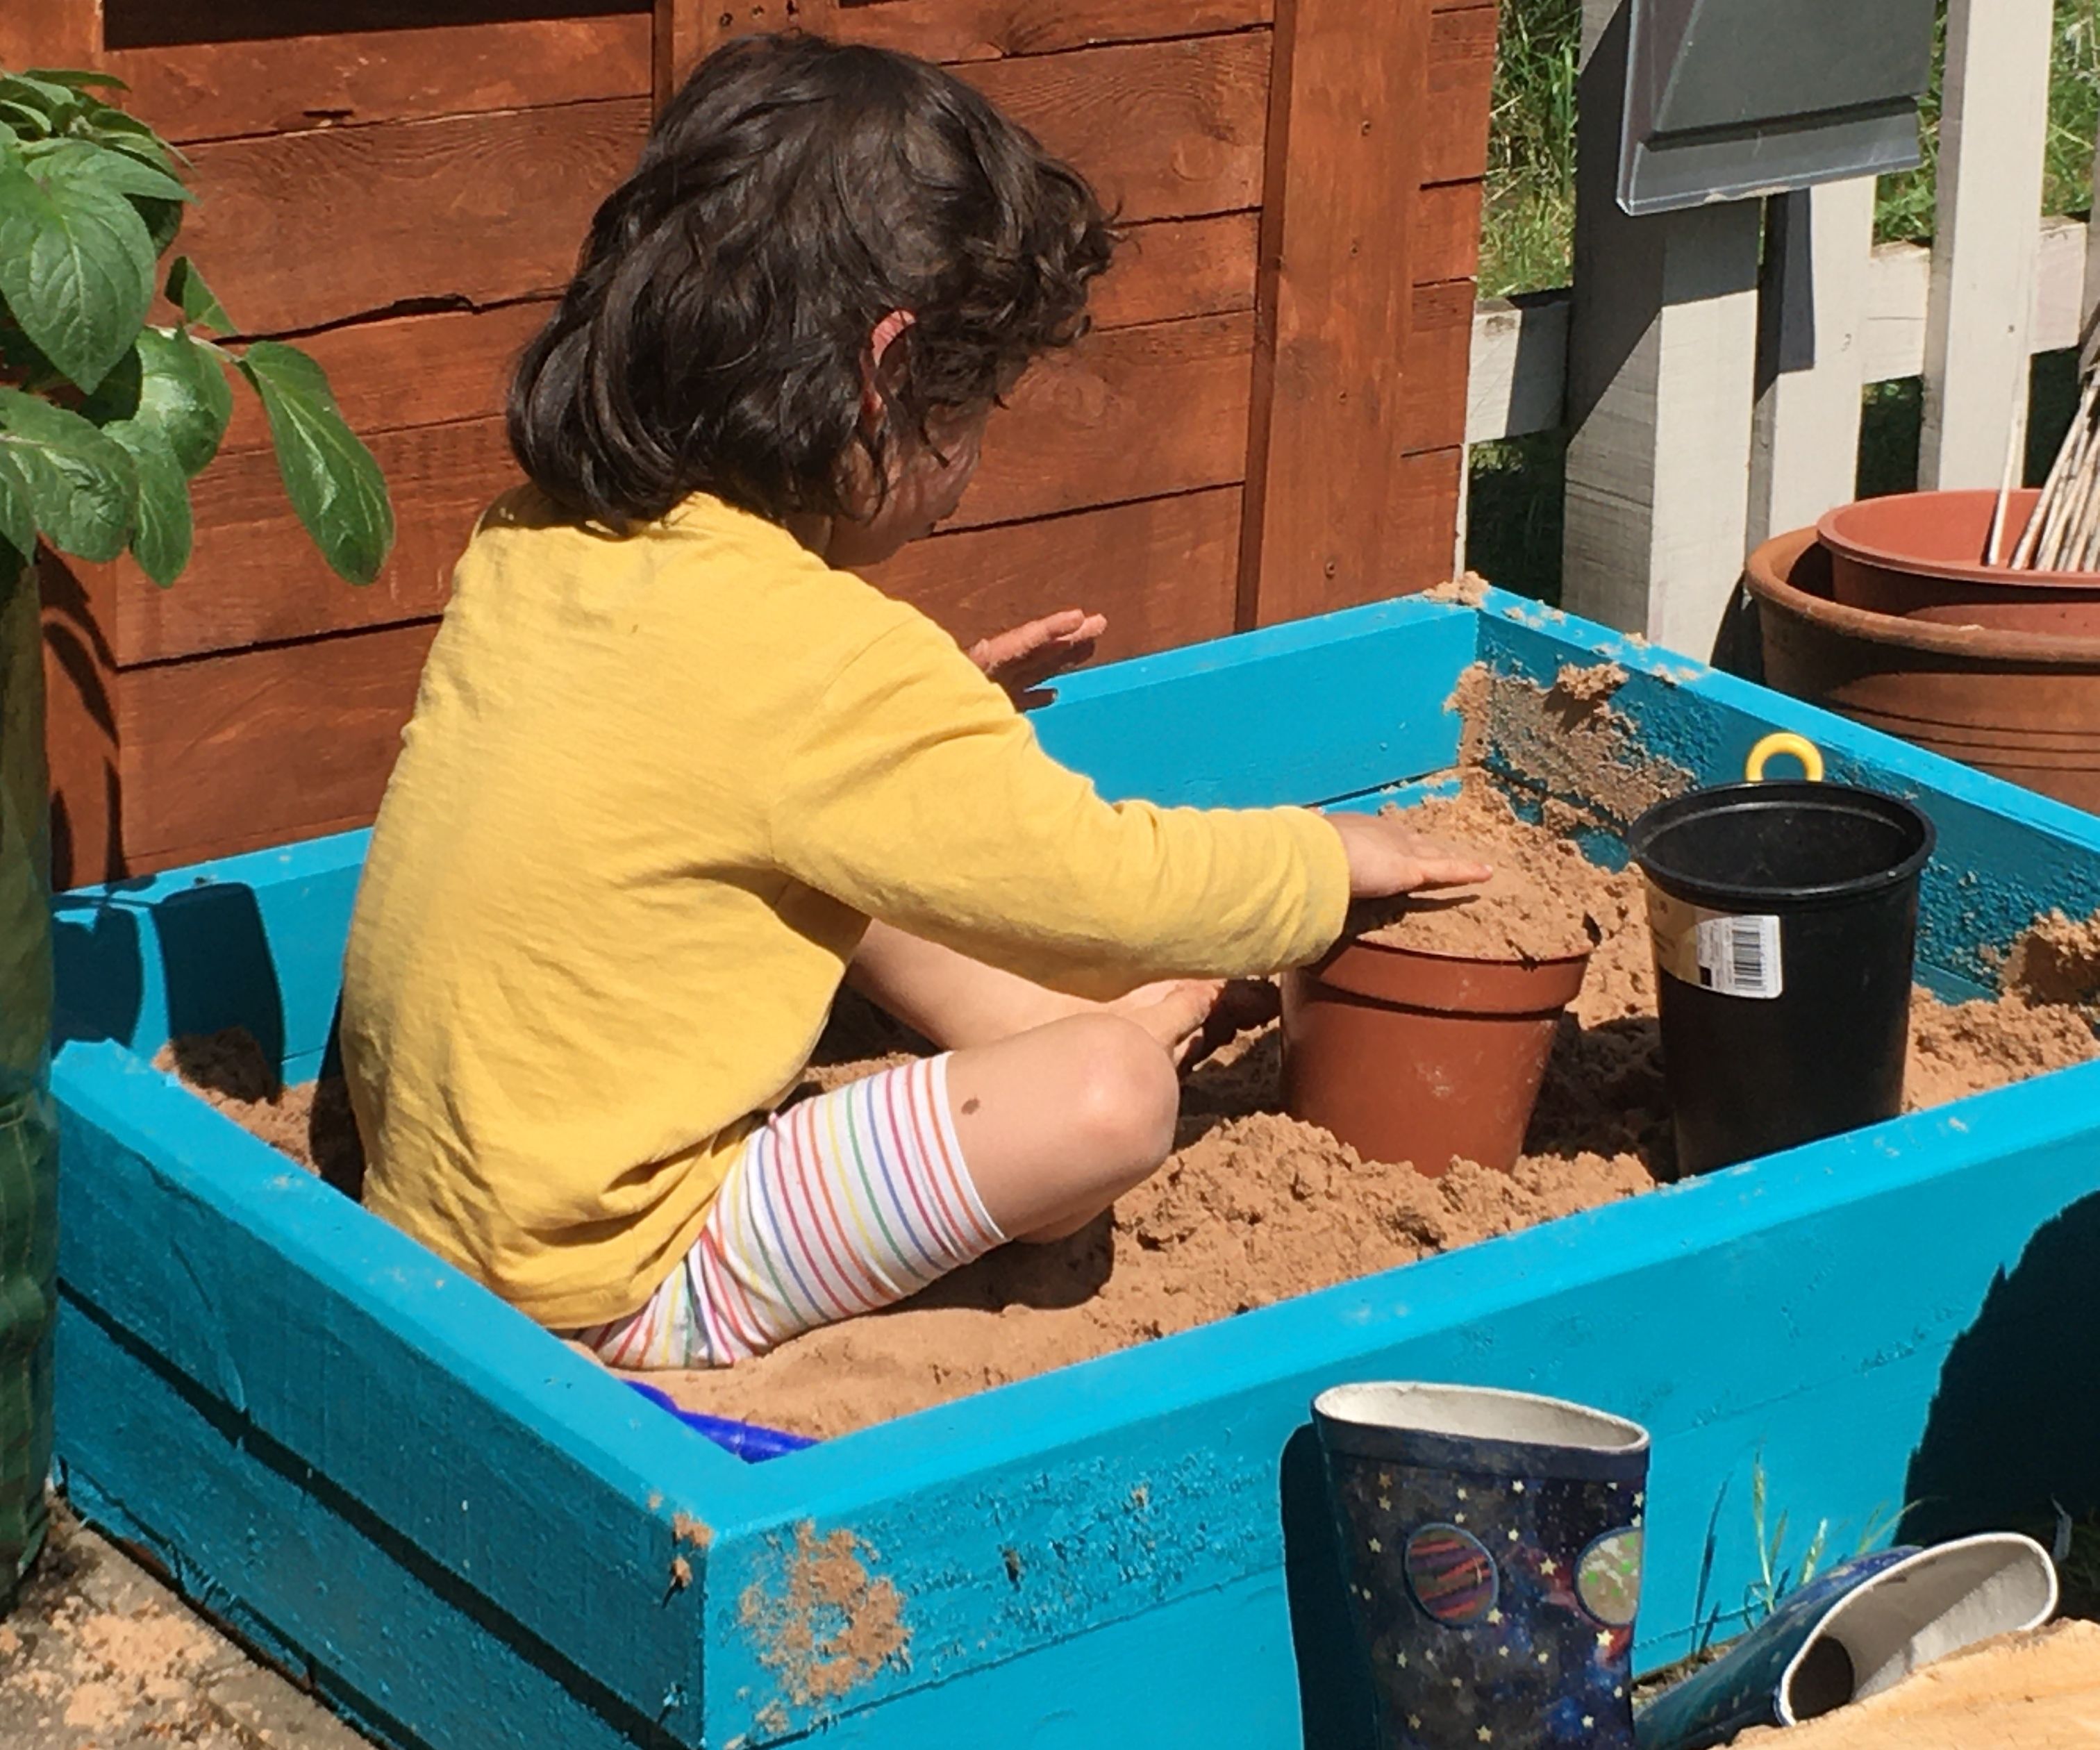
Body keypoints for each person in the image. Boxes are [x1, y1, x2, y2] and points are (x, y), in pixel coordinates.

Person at [338, 33, 1490, 1372]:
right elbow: (1101, 884)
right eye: (980, 407)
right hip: (604, 1272)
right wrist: (1324, 857)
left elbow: (712, 750)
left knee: (852, 857)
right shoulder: (819, 665)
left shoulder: (536, 537)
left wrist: (927, 713)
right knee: (1114, 1098)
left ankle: (1070, 1029)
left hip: (431, 1208)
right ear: (885, 377)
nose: (976, 465)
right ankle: (1109, 1039)